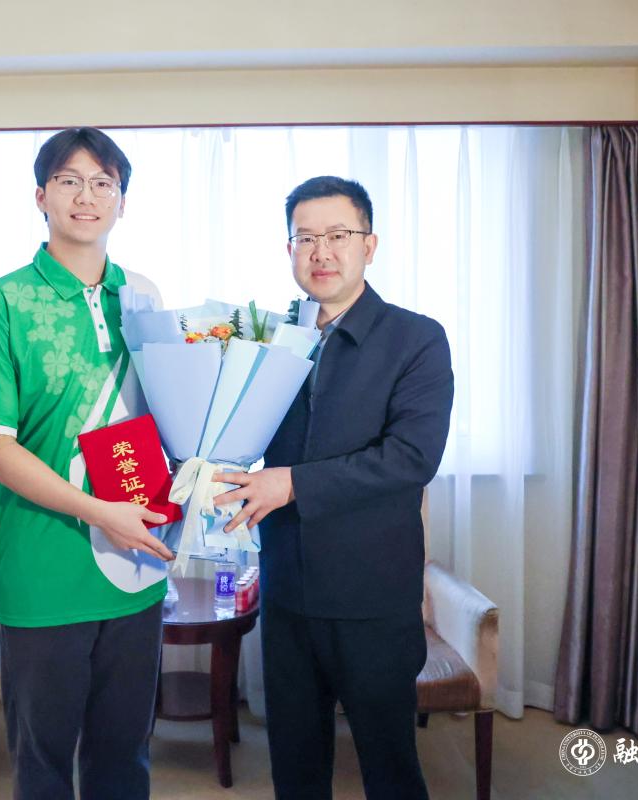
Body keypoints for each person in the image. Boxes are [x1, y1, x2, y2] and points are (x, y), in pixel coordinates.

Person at [214, 176, 454, 799]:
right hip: (287, 588)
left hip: (370, 594)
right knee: (294, 764)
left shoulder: (416, 338)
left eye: (338, 235)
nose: (321, 252)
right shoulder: (273, 340)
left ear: (369, 246)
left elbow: (411, 458)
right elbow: (240, 428)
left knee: (390, 765)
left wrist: (292, 484)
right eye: (305, 238)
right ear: (289, 249)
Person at [0, 127, 174, 800]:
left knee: (125, 755)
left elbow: (164, 417)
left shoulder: (143, 296)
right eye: (70, 181)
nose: (87, 196)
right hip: (44, 567)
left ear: (122, 202)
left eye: (104, 183)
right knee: (43, 761)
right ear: (41, 196)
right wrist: (98, 511)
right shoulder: (1, 303)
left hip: (135, 564)